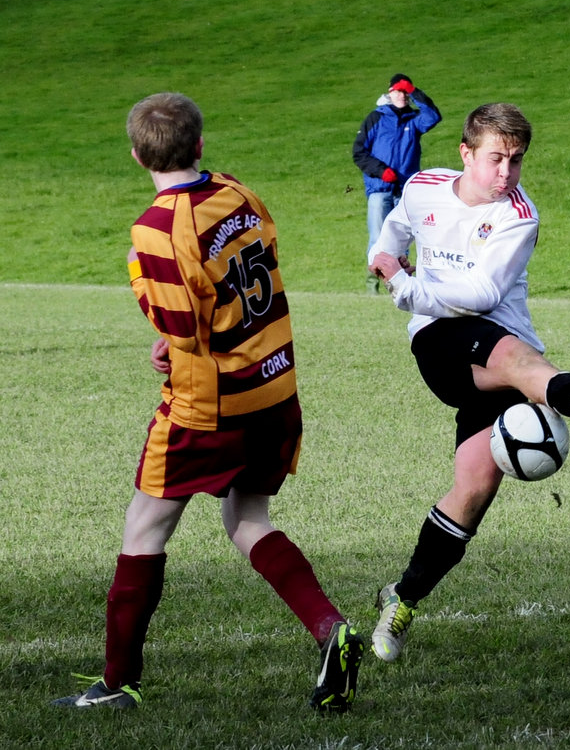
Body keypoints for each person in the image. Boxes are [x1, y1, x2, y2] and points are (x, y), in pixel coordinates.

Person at [52, 92, 364, 712]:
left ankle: (116, 684)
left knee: (144, 528)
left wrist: (157, 320)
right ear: (199, 145)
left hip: (208, 409)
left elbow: (181, 327)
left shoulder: (157, 227)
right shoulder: (236, 192)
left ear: (137, 154)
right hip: (274, 389)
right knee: (248, 520)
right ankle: (331, 629)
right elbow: (257, 266)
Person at [367, 103, 570, 662]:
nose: (506, 173)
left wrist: (403, 283)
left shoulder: (518, 216)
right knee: (521, 366)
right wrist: (384, 256)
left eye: (517, 161)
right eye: (496, 159)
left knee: (472, 492)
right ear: (466, 153)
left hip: (498, 343)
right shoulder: (425, 186)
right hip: (440, 339)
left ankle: (400, 600)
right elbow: (396, 226)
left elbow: (482, 295)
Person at [353, 73, 441, 293]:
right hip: (380, 189)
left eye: (405, 91)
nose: (402, 95)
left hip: (405, 191)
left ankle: (400, 286)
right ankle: (373, 286)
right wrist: (382, 172)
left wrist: (414, 91)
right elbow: (359, 152)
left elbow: (434, 116)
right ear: (390, 92)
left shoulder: (414, 119)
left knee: (403, 241)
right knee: (377, 238)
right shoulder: (376, 118)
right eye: (398, 91)